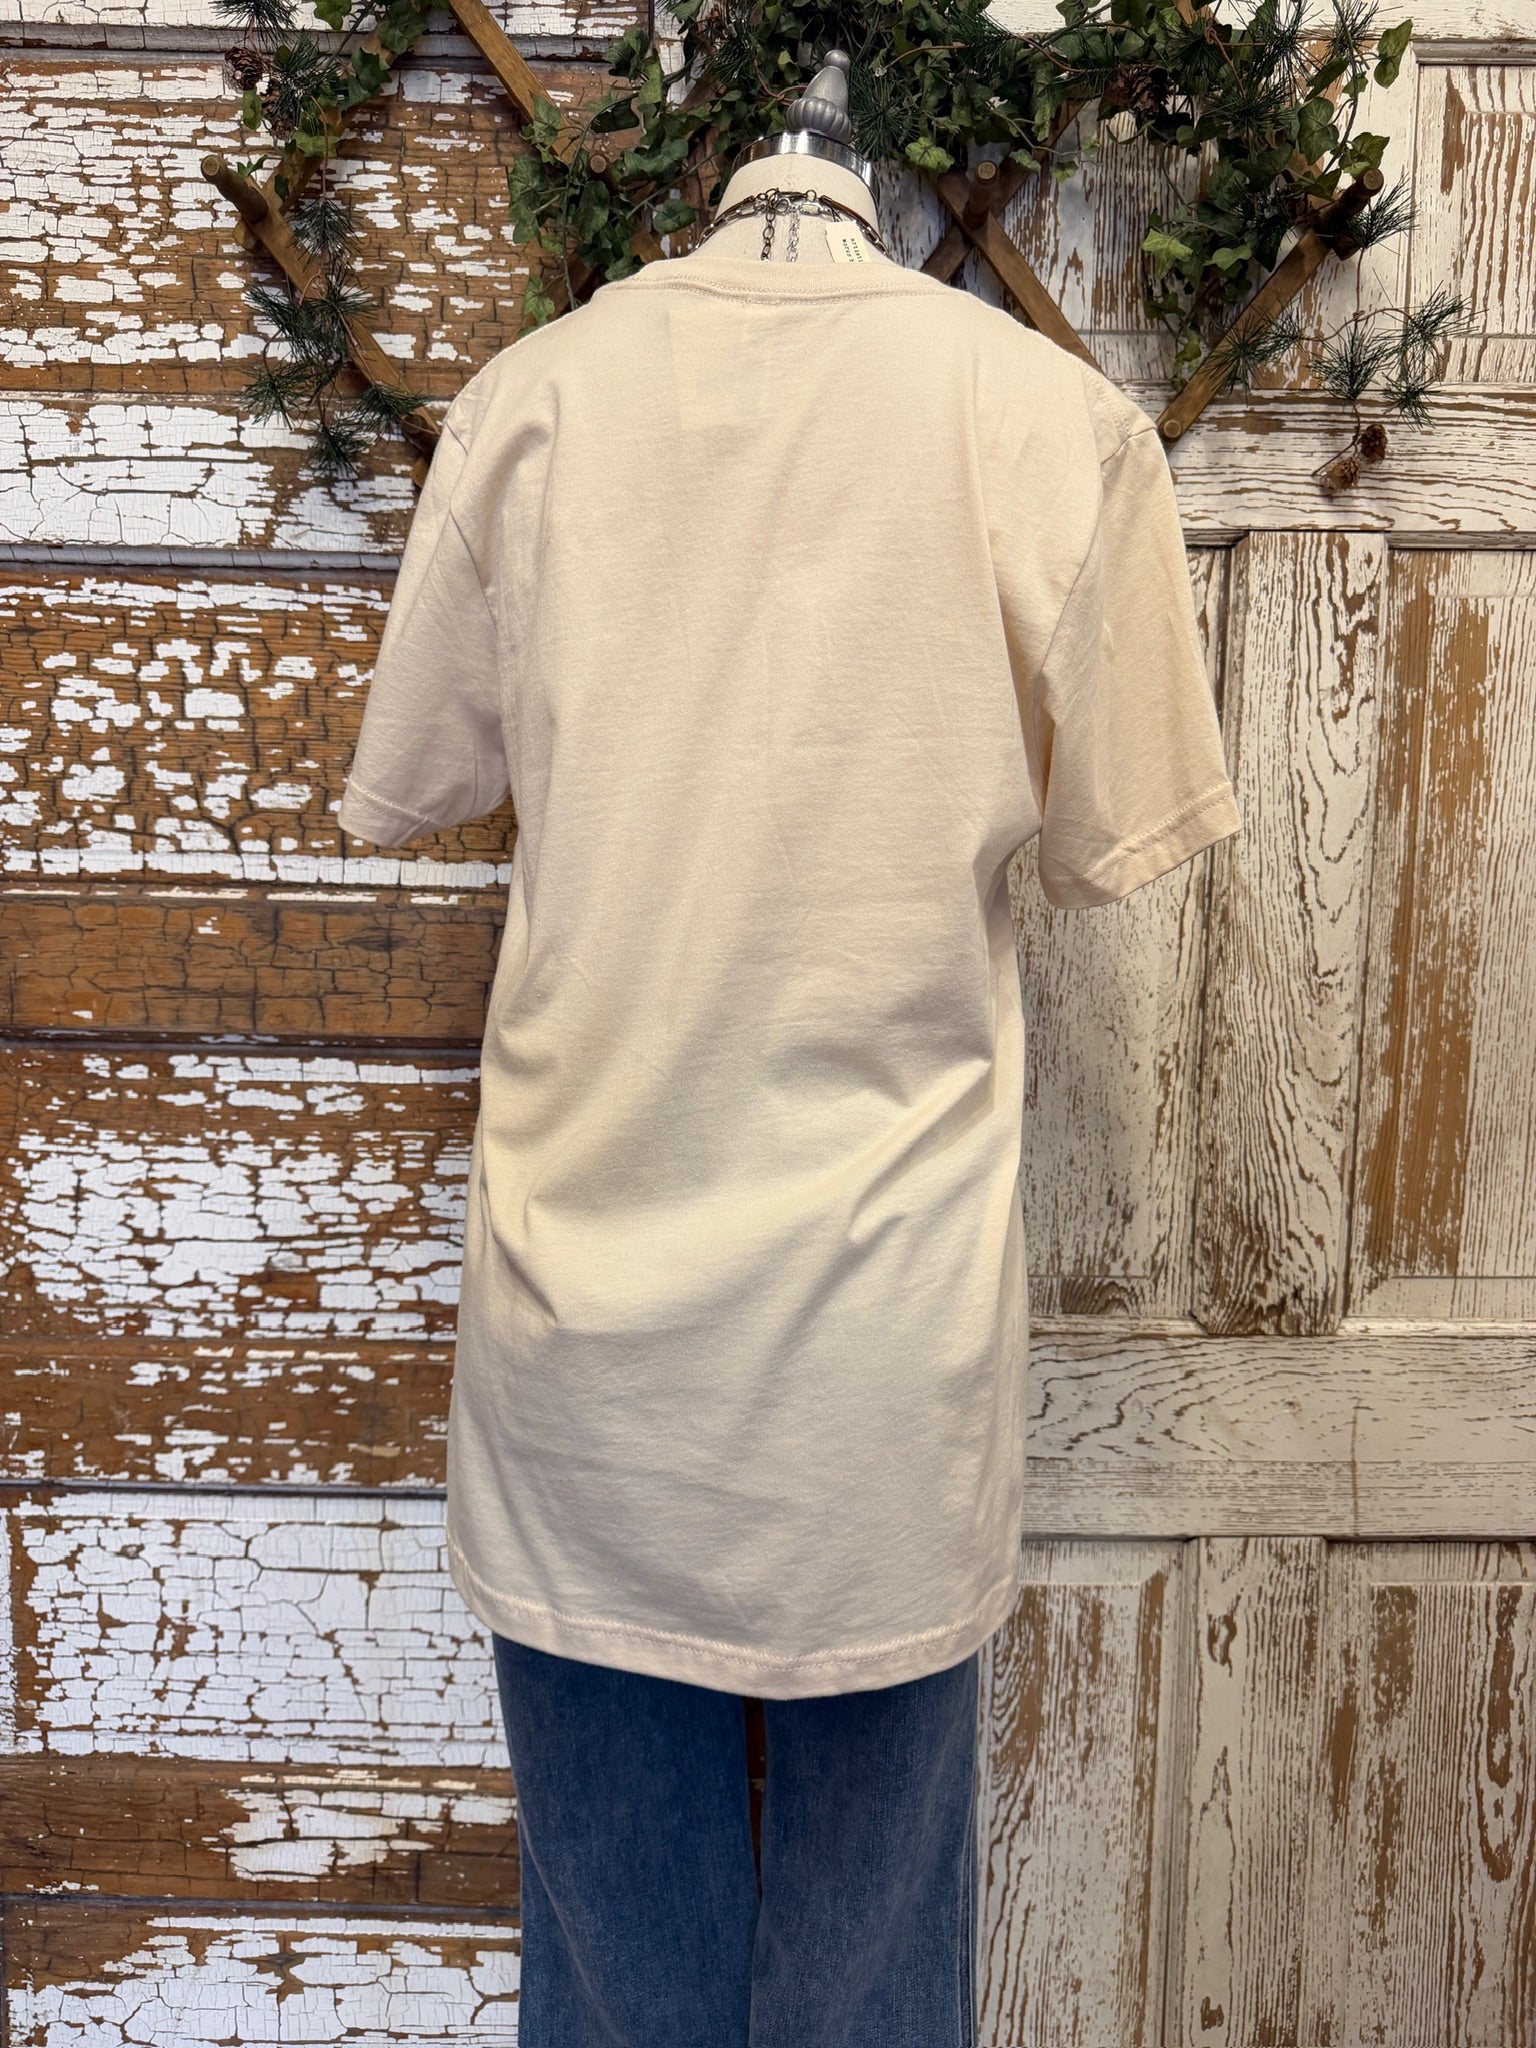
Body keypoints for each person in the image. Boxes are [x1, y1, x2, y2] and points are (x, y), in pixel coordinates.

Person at [337, 53, 1241, 2046]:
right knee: (874, 1984)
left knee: (615, 1976)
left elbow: (418, 782)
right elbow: (1118, 837)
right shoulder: (1053, 428)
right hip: (879, 1364)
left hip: (592, 1342)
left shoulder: (534, 406)